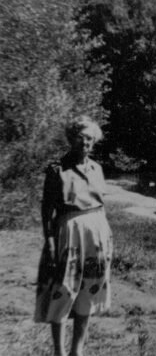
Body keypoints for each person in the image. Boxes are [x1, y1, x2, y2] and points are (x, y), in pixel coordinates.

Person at [35, 116, 112, 356]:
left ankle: (76, 350)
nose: (85, 142)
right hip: (68, 234)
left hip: (97, 233)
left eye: (90, 138)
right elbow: (47, 211)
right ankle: (59, 350)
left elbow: (101, 204)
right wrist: (49, 242)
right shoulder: (57, 170)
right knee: (63, 289)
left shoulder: (97, 169)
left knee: (89, 289)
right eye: (80, 138)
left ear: (94, 141)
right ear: (71, 139)